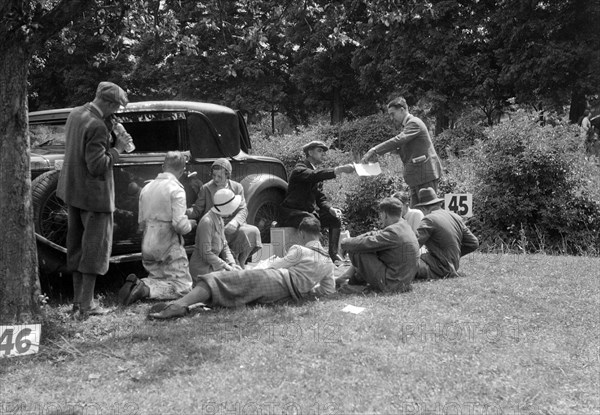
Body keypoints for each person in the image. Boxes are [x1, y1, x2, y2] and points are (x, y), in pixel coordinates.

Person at [148, 216, 335, 319]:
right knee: (238, 292)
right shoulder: (328, 262)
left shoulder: (299, 250)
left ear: (301, 233)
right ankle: (192, 304)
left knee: (221, 278)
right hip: (287, 295)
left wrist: (252, 269)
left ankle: (178, 306)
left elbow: (275, 266)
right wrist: (307, 285)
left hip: (277, 280)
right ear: (319, 234)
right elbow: (327, 290)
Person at [56, 81, 131, 319]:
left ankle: (78, 302)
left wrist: (109, 129)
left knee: (76, 246)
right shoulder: (98, 126)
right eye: (116, 107)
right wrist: (117, 148)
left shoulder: (77, 113)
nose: (116, 112)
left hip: (72, 191)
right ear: (108, 103)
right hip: (95, 198)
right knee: (95, 251)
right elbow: (98, 166)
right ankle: (87, 306)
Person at [117, 151, 196, 306]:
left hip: (148, 239)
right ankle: (144, 289)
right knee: (183, 287)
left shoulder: (146, 188)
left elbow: (141, 223)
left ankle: (138, 284)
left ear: (162, 166)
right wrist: (190, 224)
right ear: (182, 170)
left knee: (158, 276)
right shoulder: (176, 189)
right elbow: (180, 225)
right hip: (167, 240)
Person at [278, 140, 355, 262]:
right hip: (292, 213)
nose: (323, 154)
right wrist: (339, 170)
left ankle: (333, 253)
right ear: (310, 152)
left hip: (308, 214)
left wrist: (330, 209)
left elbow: (320, 198)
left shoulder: (315, 172)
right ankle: (314, 256)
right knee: (312, 220)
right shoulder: (299, 169)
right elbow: (314, 175)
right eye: (319, 151)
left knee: (334, 219)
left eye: (324, 152)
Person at [361, 97, 443, 207]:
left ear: (402, 110)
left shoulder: (414, 123)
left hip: (425, 175)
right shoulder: (408, 126)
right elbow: (403, 146)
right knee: (416, 213)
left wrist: (374, 150)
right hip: (417, 177)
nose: (391, 118)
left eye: (392, 114)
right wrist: (385, 153)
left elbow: (399, 140)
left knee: (428, 210)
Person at [187, 158, 261, 267]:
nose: (215, 179)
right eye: (213, 175)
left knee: (253, 231)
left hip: (232, 227)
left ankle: (241, 261)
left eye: (219, 176)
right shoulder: (206, 188)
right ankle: (231, 262)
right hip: (215, 227)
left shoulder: (237, 187)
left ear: (227, 175)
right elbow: (197, 210)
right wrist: (182, 211)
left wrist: (235, 223)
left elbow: (243, 209)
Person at [336, 197, 420, 293]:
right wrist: (351, 240)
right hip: (403, 281)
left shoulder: (394, 232)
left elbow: (366, 243)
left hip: (392, 284)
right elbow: (374, 234)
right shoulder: (404, 226)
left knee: (357, 250)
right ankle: (350, 279)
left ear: (384, 215)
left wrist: (344, 243)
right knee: (358, 245)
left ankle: (354, 283)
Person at [414, 188, 479, 280]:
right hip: (452, 266)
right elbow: (474, 243)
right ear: (439, 204)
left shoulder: (429, 219)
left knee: (405, 262)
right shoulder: (456, 217)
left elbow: (413, 245)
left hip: (437, 268)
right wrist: (453, 256)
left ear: (423, 208)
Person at [188, 188, 244, 279]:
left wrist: (232, 263)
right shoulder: (207, 222)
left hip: (214, 267)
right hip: (202, 270)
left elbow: (224, 245)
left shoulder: (219, 219)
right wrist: (226, 266)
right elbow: (205, 252)